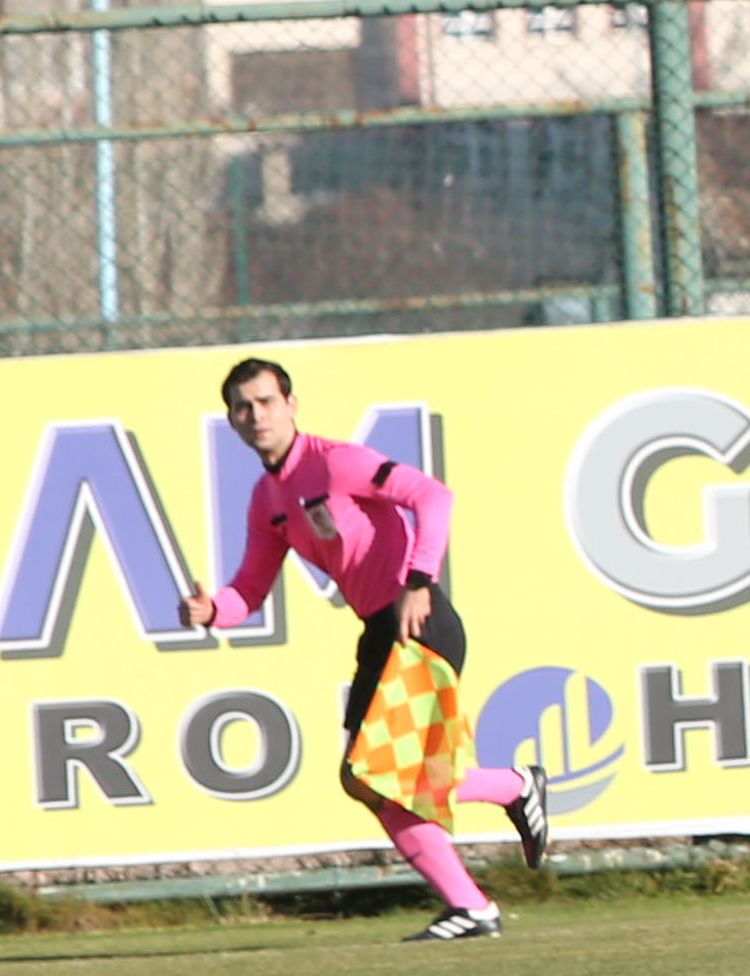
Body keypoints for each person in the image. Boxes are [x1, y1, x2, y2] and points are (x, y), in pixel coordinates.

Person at [184, 357, 548, 941]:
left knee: (377, 774)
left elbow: (432, 496)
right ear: (231, 420)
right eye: (242, 408)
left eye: (266, 402)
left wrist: (420, 580)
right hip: (379, 632)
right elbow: (249, 588)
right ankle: (506, 809)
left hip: (418, 624)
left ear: (292, 405)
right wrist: (212, 612)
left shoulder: (336, 463)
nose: (256, 416)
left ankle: (480, 888)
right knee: (376, 777)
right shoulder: (267, 499)